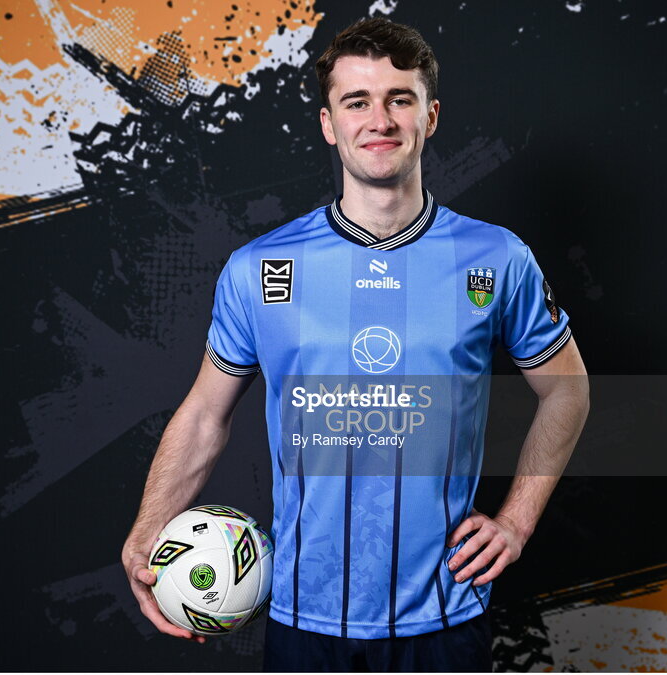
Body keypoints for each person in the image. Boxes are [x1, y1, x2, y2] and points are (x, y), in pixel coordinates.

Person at [121, 17, 589, 672]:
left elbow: (567, 388)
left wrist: (516, 519)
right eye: (357, 101)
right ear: (328, 123)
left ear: (430, 116)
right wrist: (150, 525)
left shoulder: (496, 258)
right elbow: (205, 415)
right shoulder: (260, 268)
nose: (381, 119)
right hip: (301, 617)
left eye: (400, 98)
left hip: (446, 614)